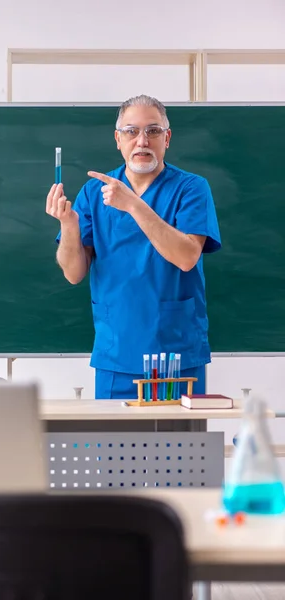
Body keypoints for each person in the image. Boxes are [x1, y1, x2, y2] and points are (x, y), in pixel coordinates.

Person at [46, 95, 221, 400]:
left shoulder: (191, 188)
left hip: (175, 353)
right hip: (117, 351)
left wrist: (133, 205)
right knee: (115, 445)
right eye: (131, 131)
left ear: (167, 138)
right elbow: (74, 273)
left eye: (153, 131)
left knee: (180, 446)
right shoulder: (94, 192)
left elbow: (186, 257)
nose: (142, 141)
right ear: (118, 139)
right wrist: (69, 226)